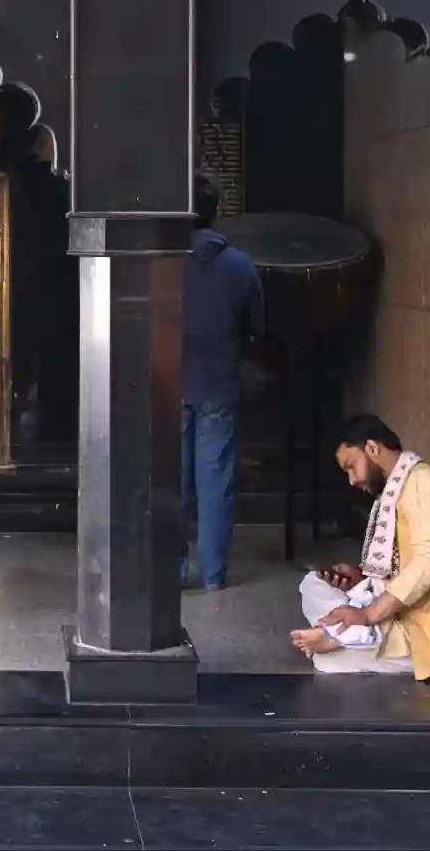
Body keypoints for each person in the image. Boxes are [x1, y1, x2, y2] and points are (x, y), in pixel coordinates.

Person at [289, 414, 430, 679]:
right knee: (313, 583)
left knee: (327, 662)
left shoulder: (426, 484)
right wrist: (361, 579)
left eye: (351, 466)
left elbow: (429, 562)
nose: (352, 480)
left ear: (372, 449)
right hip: (400, 612)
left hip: (429, 628)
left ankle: (344, 634)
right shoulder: (395, 489)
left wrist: (368, 614)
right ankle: (345, 632)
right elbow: (398, 565)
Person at [179, 172, 265, 590]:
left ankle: (171, 569)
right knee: (216, 483)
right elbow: (257, 327)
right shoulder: (241, 266)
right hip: (220, 385)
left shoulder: (161, 262)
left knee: (171, 481)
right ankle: (214, 576)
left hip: (168, 385)